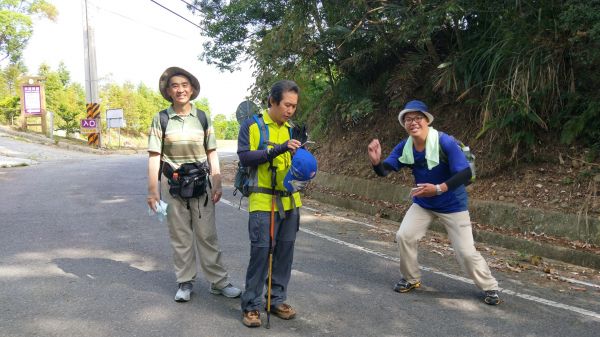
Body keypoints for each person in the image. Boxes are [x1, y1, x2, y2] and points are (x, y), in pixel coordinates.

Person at [367, 100, 501, 305]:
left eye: (417, 118)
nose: (413, 122)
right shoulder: (406, 147)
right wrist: (376, 162)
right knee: (405, 235)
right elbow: (385, 170)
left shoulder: (444, 142)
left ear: (427, 120)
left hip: (452, 203)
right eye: (408, 119)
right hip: (424, 202)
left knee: (465, 252)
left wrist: (438, 189)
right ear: (404, 124)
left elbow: (465, 173)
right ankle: (411, 279)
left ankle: (490, 287)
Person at [147, 66, 241, 302]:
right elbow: (154, 156)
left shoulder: (202, 117)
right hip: (173, 185)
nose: (180, 89)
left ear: (192, 89)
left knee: (207, 235)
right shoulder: (162, 119)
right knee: (180, 235)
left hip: (201, 185)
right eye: (175, 86)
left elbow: (212, 153)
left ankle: (219, 282)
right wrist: (153, 191)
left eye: (184, 85)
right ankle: (185, 282)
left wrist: (217, 183)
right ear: (168, 91)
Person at [237, 80, 311, 327]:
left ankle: (276, 299)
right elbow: (245, 157)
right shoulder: (252, 126)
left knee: (284, 253)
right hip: (262, 200)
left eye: (294, 106)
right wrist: (277, 150)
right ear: (272, 101)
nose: (290, 110)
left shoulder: (293, 130)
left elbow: (299, 163)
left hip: (290, 201)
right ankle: (251, 305)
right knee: (261, 253)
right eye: (287, 105)